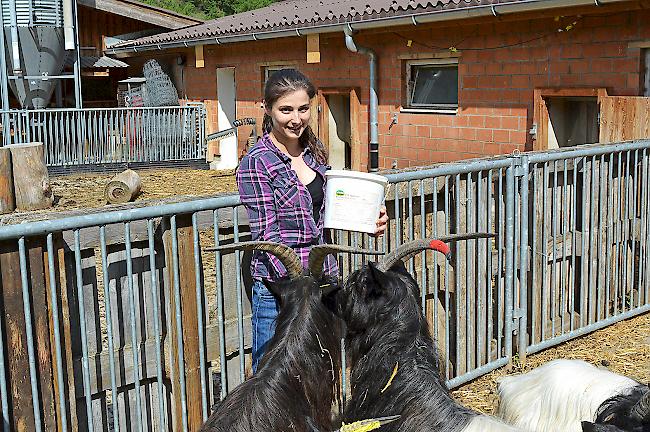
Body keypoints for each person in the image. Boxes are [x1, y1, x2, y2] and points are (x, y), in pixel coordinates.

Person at [237, 69, 388, 372]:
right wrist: (303, 289)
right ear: (267, 109)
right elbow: (268, 238)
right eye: (285, 110)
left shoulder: (314, 155)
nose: (296, 118)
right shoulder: (257, 162)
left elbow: (329, 214)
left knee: (321, 366)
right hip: (279, 285)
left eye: (303, 108)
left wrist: (368, 220)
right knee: (273, 372)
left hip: (323, 279)